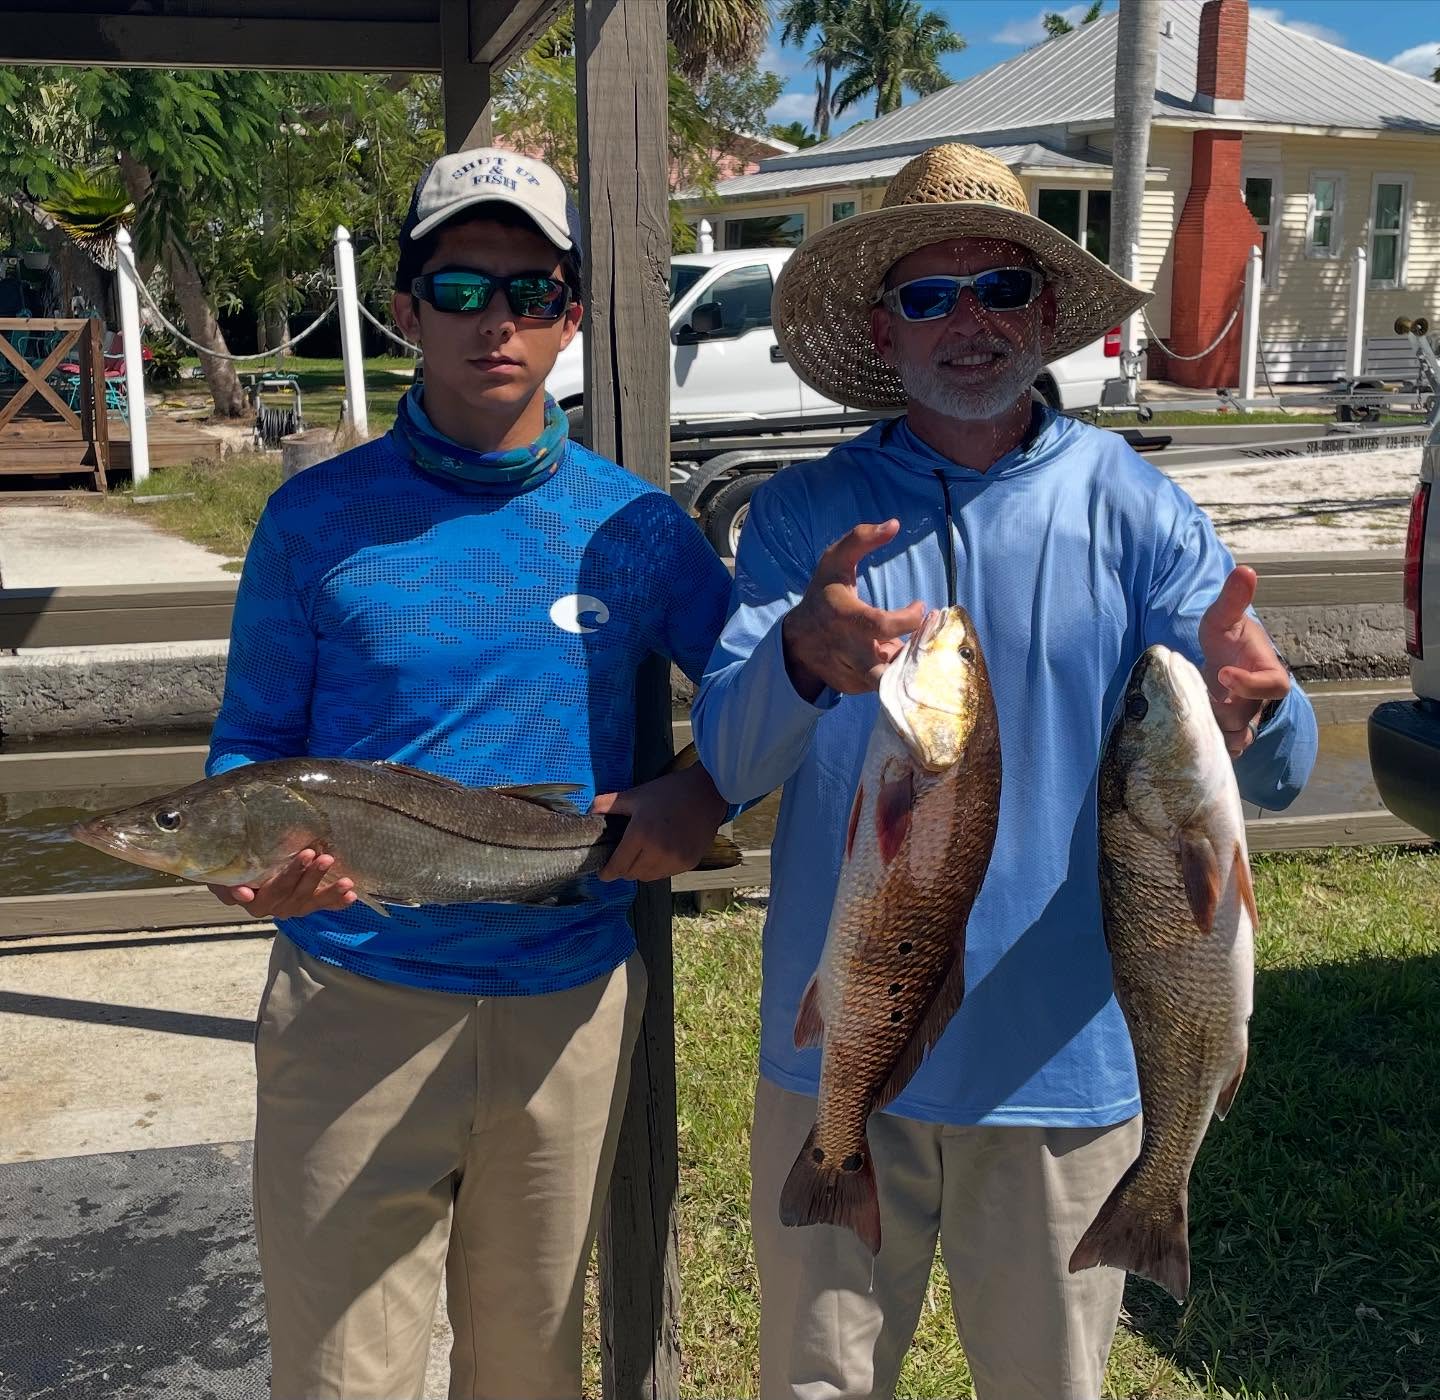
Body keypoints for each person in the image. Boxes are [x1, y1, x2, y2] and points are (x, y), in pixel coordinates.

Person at [691, 143, 1318, 1400]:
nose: (969, 321)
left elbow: (1278, 766)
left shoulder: (1139, 508)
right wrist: (800, 657)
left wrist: (1270, 705)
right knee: (814, 1384)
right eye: (931, 295)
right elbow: (730, 758)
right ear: (884, 327)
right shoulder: (805, 517)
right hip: (843, 1055)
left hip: (1064, 1068)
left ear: (1046, 311)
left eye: (1001, 288)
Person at [207, 147, 734, 1400]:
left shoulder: (637, 527)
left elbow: (762, 692)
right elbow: (248, 745)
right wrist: (253, 865)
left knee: (529, 1367)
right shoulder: (312, 521)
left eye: (530, 289)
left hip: (567, 1004)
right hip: (353, 1004)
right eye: (457, 288)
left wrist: (704, 791)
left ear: (570, 315)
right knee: (340, 1376)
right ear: (405, 308)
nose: (494, 319)